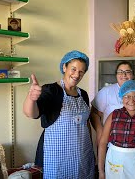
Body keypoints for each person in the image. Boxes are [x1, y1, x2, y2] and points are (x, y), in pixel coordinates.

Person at [23, 50, 101, 179]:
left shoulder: (84, 94)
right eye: (73, 69)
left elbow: (86, 123)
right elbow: (31, 113)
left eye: (81, 71)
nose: (77, 74)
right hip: (57, 157)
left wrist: (91, 151)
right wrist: (31, 98)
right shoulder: (51, 90)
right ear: (64, 67)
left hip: (83, 153)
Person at [91, 61, 135, 142]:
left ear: (133, 75)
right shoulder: (106, 92)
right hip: (111, 141)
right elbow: (94, 113)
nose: (124, 75)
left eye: (127, 72)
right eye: (120, 72)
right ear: (116, 75)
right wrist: (100, 131)